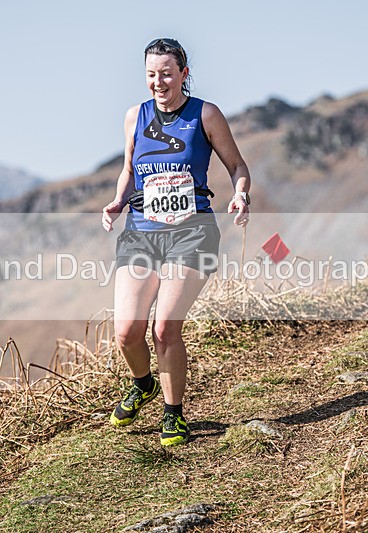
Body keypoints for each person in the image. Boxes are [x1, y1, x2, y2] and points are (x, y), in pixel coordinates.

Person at [102, 37, 251, 446]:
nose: (158, 82)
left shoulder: (205, 114)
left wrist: (240, 193)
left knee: (165, 328)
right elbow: (129, 170)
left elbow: (237, 165)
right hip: (141, 233)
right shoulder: (135, 116)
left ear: (184, 74)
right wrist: (117, 201)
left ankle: (174, 414)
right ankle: (143, 383)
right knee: (127, 332)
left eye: (166, 73)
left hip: (193, 233)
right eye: (151, 74)